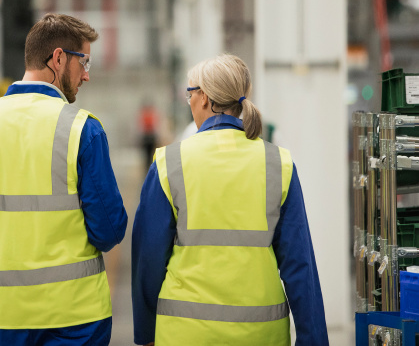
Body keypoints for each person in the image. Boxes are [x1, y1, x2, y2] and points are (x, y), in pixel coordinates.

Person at [0, 13, 128, 346]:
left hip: (1, 315)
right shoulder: (81, 129)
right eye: (83, 62)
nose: (86, 75)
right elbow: (108, 229)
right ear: (58, 58)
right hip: (75, 318)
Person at [131, 54, 328, 345]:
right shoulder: (278, 163)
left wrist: (146, 332)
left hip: (185, 333)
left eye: (189, 94)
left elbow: (148, 258)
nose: (189, 102)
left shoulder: (169, 163)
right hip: (261, 334)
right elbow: (300, 266)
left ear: (204, 98)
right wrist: (313, 340)